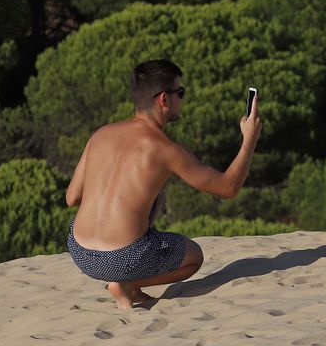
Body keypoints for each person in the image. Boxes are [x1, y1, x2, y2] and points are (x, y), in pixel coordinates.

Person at [64, 58, 261, 308]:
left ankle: (124, 281)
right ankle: (128, 285)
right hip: (123, 258)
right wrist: (249, 140)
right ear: (163, 100)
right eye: (181, 92)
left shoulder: (100, 134)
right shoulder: (165, 149)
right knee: (194, 257)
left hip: (79, 252)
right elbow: (228, 188)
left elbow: (71, 198)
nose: (182, 98)